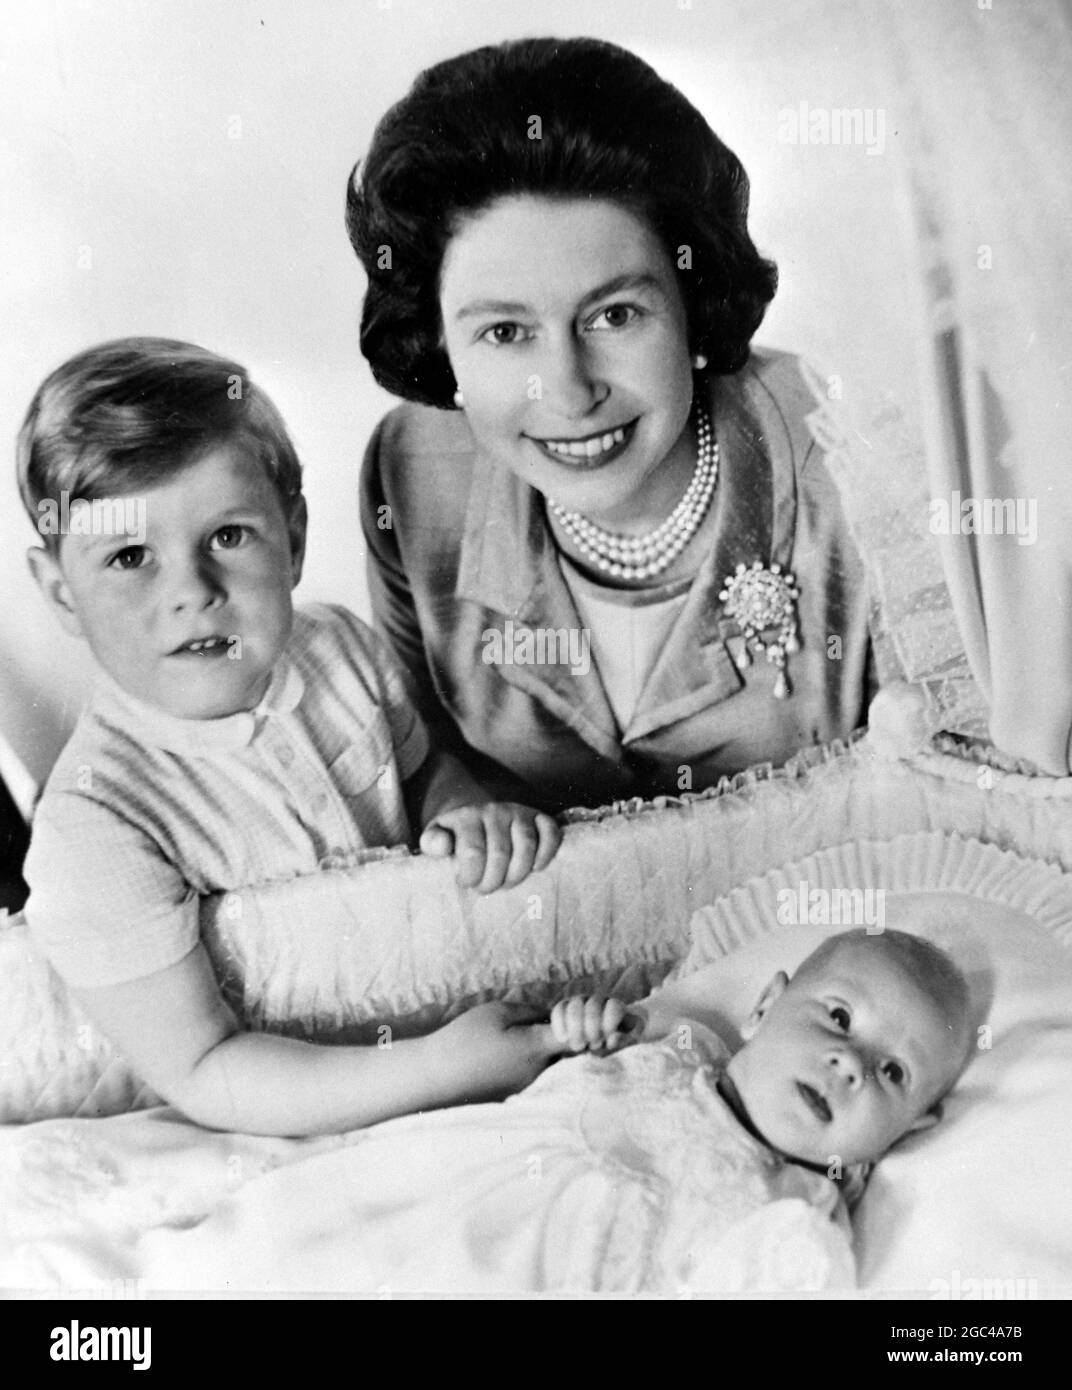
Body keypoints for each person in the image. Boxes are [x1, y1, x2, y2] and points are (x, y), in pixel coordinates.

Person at [17, 337, 566, 1138]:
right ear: (61, 592)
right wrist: (442, 1067)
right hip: (283, 1131)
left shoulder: (341, 649)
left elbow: (421, 776)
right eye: (131, 556)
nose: (193, 593)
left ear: (295, 538)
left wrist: (464, 806)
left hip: (455, 1031)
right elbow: (206, 1071)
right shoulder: (95, 827)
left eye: (229, 536)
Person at [349, 36, 875, 814]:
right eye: (503, 332)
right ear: (438, 339)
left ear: (693, 303)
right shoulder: (411, 474)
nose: (567, 391)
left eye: (615, 315)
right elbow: (428, 766)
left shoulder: (851, 449)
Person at [140, 928, 975, 1295]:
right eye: (839, 1019)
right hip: (457, 1198)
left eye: (892, 1072)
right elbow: (568, 1055)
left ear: (910, 1133)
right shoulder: (681, 1046)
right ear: (765, 1006)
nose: (848, 1064)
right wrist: (580, 1033)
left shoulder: (801, 1213)